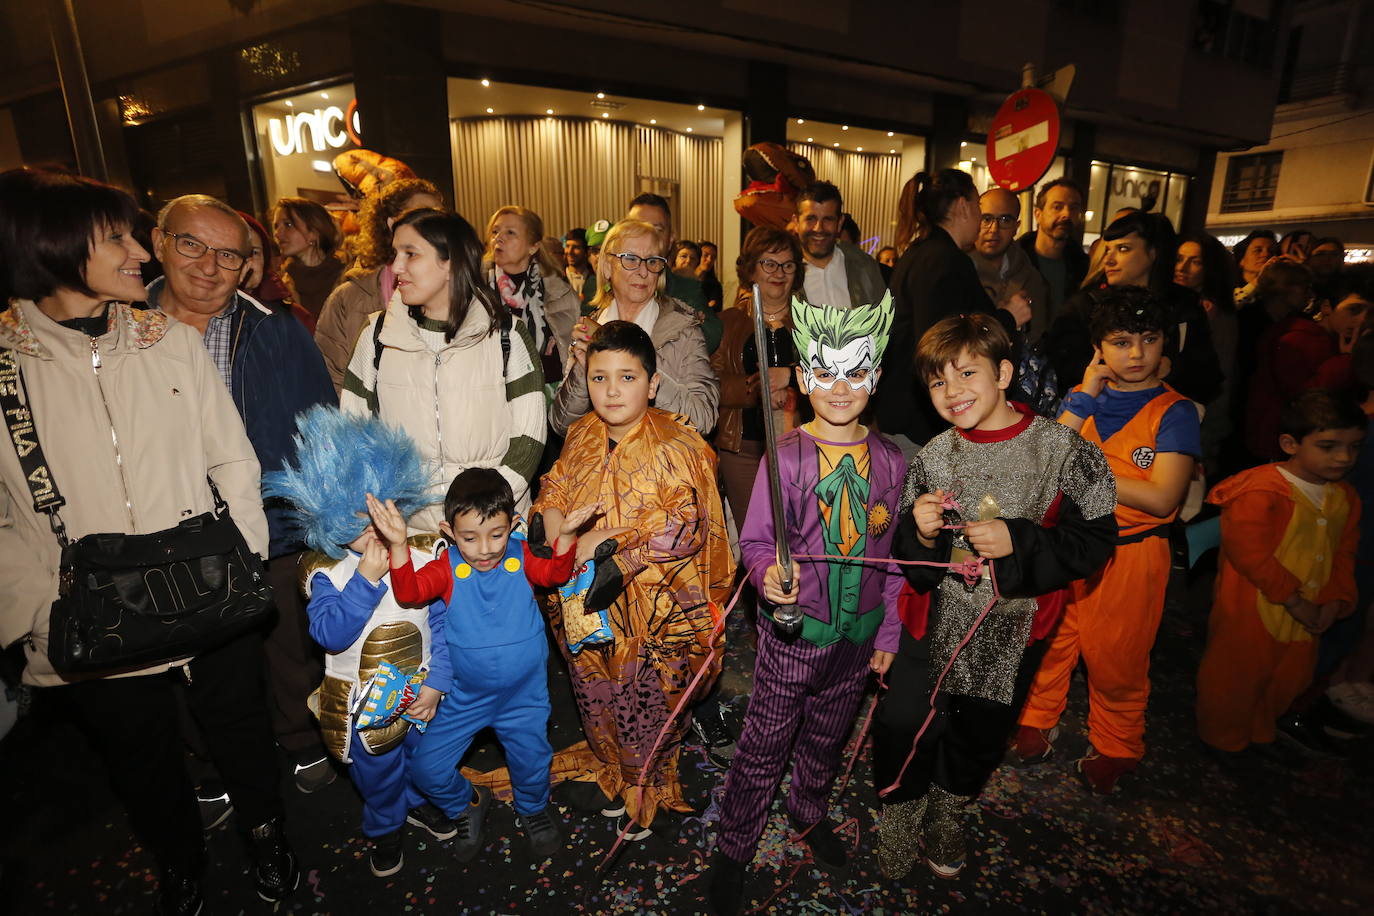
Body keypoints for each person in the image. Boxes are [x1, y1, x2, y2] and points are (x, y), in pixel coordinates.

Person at [0, 166, 298, 911]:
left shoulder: (169, 342)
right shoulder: (5, 365)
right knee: (139, 757)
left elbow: (233, 457)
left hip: (207, 585)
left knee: (241, 728)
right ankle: (180, 859)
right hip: (90, 610)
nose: (141, 251)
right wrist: (39, 614)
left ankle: (267, 834)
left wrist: (242, 559)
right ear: (56, 247)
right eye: (118, 237)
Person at [871, 314, 1116, 880]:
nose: (952, 392)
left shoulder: (1062, 450)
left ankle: (947, 813)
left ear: (1003, 372)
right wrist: (924, 532)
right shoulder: (932, 454)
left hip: (1013, 624)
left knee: (979, 731)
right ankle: (901, 817)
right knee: (902, 720)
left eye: (966, 373)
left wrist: (1021, 539)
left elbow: (1098, 538)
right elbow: (906, 550)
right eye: (937, 382)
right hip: (930, 618)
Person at [708, 297, 907, 915]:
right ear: (802, 378)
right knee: (765, 742)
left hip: (858, 633)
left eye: (855, 372)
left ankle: (809, 808)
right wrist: (770, 576)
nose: (840, 387)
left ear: (875, 375)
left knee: (827, 735)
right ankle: (734, 848)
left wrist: (889, 634)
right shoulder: (786, 456)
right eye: (825, 371)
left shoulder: (894, 462)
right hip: (795, 635)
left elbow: (896, 558)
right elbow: (758, 541)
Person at [147, 193, 338, 794]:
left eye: (227, 254)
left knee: (285, 642)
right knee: (186, 655)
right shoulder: (122, 331)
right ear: (159, 244)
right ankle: (207, 761)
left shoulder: (274, 328)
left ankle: (302, 737)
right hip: (162, 525)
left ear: (247, 262)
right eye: (191, 244)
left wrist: (321, 517)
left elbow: (319, 423)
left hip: (269, 516)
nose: (208, 265)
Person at [535, 321, 732, 838]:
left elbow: (689, 524)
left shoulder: (678, 444)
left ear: (652, 381)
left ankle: (647, 783)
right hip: (585, 601)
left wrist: (615, 553)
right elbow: (555, 486)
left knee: (647, 697)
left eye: (627, 377)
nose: (612, 391)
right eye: (599, 378)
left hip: (658, 606)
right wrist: (558, 530)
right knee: (594, 687)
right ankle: (612, 769)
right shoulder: (580, 434)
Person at [1014, 287, 1200, 794]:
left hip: (1131, 553)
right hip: (1069, 545)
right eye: (1120, 342)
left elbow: (1163, 499)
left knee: (1117, 657)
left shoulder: (1174, 412)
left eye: (1148, 339)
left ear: (1165, 344)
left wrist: (1092, 475)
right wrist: (1083, 395)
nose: (1136, 354)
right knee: (1053, 640)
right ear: (1099, 348)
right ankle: (1036, 718)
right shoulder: (1085, 400)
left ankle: (1117, 746)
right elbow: (1044, 469)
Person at [265, 406, 455, 878]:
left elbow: (444, 625)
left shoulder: (424, 552)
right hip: (360, 708)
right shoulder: (325, 572)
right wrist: (366, 579)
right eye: (357, 516)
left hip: (422, 691)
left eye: (380, 509)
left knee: (424, 758)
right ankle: (385, 825)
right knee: (378, 774)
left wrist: (440, 681)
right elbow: (329, 635)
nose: (372, 526)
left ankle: (416, 802)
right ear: (329, 516)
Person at [374, 469, 585, 862]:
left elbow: (555, 574)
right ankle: (466, 805)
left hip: (524, 696)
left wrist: (567, 537)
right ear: (448, 532)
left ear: (514, 525)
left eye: (496, 534)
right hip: (466, 696)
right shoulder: (447, 568)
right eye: (469, 538)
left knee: (532, 759)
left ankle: (533, 808)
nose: (485, 549)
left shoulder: (520, 555)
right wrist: (399, 545)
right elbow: (409, 592)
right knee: (427, 770)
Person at [340, 209, 546, 528]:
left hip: (493, 532)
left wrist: (482, 512)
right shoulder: (377, 336)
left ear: (450, 262)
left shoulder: (506, 335)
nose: (396, 267)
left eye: (410, 254)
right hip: (406, 536)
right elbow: (353, 435)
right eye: (396, 254)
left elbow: (529, 438)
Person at [1196, 390, 1363, 763]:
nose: (1343, 457)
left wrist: (1335, 601)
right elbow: (1249, 552)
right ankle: (1222, 739)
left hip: (1309, 615)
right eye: (1328, 446)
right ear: (1290, 444)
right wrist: (1293, 598)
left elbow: (1344, 553)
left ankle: (1258, 731)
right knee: (1236, 677)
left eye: (1353, 448)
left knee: (1286, 679)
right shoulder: (1262, 490)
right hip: (1253, 611)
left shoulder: (1345, 498)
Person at [881, 169, 1028, 456]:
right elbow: (945, 343)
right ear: (963, 206)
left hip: (906, 413)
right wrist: (1008, 317)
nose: (981, 218)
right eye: (979, 207)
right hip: (922, 426)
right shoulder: (945, 260)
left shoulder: (921, 252)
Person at [551, 219, 719, 437]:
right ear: (607, 267)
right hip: (601, 464)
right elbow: (562, 424)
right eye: (630, 259)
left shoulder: (682, 329)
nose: (643, 271)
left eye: (652, 261)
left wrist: (645, 372)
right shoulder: (591, 329)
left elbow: (704, 419)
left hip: (661, 464)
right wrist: (581, 370)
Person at [1047, 211, 1222, 407]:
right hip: (1098, 423)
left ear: (1153, 253)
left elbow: (1208, 377)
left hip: (1164, 423)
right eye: (1107, 250)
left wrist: (1171, 371)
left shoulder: (1184, 306)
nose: (1109, 260)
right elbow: (1060, 370)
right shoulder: (1084, 306)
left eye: (1123, 249)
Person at [712, 226, 804, 529]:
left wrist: (790, 375)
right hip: (742, 448)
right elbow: (709, 384)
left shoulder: (813, 321)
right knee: (756, 535)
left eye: (787, 265)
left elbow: (834, 380)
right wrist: (755, 386)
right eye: (769, 263)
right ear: (751, 269)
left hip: (802, 447)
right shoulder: (728, 321)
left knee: (798, 532)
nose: (779, 272)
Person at [316, 178, 443, 392]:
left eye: (439, 216)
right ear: (392, 225)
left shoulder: (461, 290)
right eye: (422, 215)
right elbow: (333, 379)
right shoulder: (349, 298)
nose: (435, 225)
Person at [1243, 261, 1331, 463]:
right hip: (1252, 412)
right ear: (1284, 287)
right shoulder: (1249, 320)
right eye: (1303, 286)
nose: (1308, 293)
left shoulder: (1296, 322)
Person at [486, 205, 580, 385]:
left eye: (510, 233)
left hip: (544, 395)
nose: (498, 238)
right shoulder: (477, 289)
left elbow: (566, 362)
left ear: (533, 246)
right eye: (495, 231)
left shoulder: (557, 292)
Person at [1174, 232, 1241, 474]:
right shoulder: (1179, 304)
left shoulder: (1214, 313)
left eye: (1195, 261)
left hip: (1200, 424)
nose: (1183, 267)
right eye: (1179, 258)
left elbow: (1220, 375)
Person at [626, 193, 721, 351]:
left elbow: (710, 335)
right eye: (638, 228)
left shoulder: (686, 290)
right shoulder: (608, 285)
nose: (648, 236)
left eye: (657, 229)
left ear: (670, 240)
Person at [791, 181, 886, 310]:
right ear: (796, 222)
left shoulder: (865, 266)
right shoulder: (783, 274)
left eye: (828, 219)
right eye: (810, 219)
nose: (819, 228)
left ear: (840, 223)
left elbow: (884, 321)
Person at [970, 187, 1049, 341]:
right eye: (986, 219)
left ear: (1016, 227)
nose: (994, 229)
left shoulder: (1032, 278)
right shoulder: (958, 270)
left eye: (1005, 220)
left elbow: (1038, 337)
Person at [1016, 178, 1088, 317]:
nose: (1066, 214)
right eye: (1057, 207)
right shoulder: (1015, 262)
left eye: (1073, 208)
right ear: (1038, 214)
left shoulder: (1083, 268)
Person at [271, 197, 345, 321]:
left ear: (314, 232)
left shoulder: (345, 279)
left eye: (288, 224)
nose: (277, 233)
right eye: (276, 226)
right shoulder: (280, 285)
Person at [1231, 229, 1278, 307]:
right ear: (1241, 260)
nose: (1266, 254)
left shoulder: (1278, 292)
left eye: (1271, 251)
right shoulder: (1226, 288)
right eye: (1258, 250)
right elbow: (1230, 307)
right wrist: (1258, 280)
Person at [564, 227, 595, 305]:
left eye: (576, 247)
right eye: (567, 246)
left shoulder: (595, 278)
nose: (570, 252)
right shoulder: (557, 276)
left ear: (586, 252)